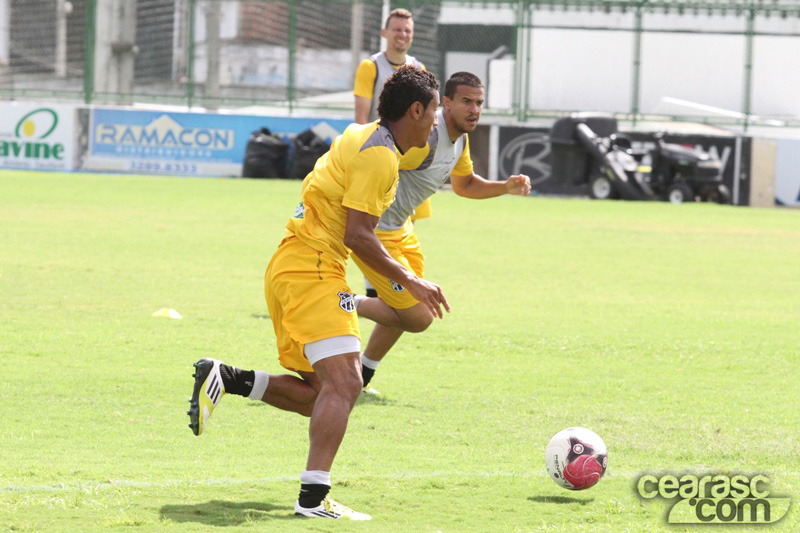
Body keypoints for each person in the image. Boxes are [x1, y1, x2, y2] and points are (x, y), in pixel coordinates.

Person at [187, 66, 447, 521]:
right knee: (346, 384)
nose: (437, 120)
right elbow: (359, 235)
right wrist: (413, 281)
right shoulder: (380, 157)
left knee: (321, 395)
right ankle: (312, 500)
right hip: (314, 267)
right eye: (436, 110)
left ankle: (227, 378)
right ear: (416, 109)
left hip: (293, 265)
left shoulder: (364, 135)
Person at [352, 72, 531, 394]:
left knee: (407, 308)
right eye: (466, 101)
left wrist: (504, 187)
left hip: (401, 230)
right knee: (418, 316)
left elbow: (465, 185)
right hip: (374, 231)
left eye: (479, 103)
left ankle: (362, 376)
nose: (474, 109)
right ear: (445, 103)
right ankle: (342, 302)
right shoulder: (426, 139)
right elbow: (373, 156)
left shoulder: (460, 139)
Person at [353, 7, 431, 297]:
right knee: (369, 225)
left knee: (398, 225)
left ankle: (392, 288)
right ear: (385, 33)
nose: (402, 35)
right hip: (378, 158)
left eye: (407, 31)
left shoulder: (418, 69)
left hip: (405, 163)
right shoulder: (370, 67)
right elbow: (361, 118)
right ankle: (374, 292)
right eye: (397, 30)